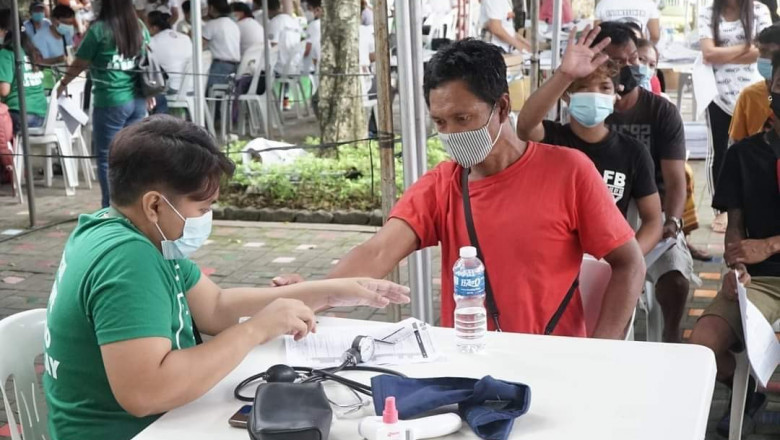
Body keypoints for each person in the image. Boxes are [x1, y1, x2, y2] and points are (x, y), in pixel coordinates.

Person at [42, 115, 410, 440]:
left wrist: (331, 291)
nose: (206, 218)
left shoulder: (123, 231)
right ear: (154, 204)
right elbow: (146, 393)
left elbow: (215, 307)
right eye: (201, 208)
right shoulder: (128, 258)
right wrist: (255, 330)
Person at [288, 39, 647, 339]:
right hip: (470, 363)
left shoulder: (569, 171)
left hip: (555, 360)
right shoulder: (441, 185)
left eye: (464, 118)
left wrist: (602, 352)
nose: (452, 133)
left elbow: (629, 263)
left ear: (502, 107)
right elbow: (378, 252)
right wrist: (306, 297)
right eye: (440, 122)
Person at [689, 52, 780, 438]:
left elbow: (761, 244)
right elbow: (735, 224)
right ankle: (748, 394)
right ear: (770, 94)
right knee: (702, 347)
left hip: (767, 261)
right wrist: (736, 266)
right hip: (757, 281)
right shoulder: (745, 153)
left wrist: (771, 245)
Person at [516, 28, 663, 256]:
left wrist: (626, 263)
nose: (594, 94)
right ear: (566, 96)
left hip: (607, 258)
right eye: (583, 87)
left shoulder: (633, 152)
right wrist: (565, 75)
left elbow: (653, 221)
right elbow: (524, 126)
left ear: (616, 96)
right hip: (551, 255)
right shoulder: (551, 139)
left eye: (604, 87)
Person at [593, 22, 693, 343]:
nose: (631, 67)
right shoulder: (591, 113)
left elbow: (676, 180)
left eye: (634, 58)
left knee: (675, 278)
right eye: (618, 63)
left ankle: (671, 335)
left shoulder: (662, 112)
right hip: (602, 218)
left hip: (657, 217)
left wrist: (673, 222)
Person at [58, 0, 152, 208]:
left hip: (111, 101)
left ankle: (111, 209)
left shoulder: (99, 30)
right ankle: (135, 208)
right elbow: (145, 62)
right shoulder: (139, 26)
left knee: (108, 158)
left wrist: (63, 83)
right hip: (137, 99)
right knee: (133, 156)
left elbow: (79, 63)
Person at [699, 0, 772, 234]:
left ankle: (754, 203)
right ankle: (721, 211)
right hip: (717, 94)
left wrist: (722, 54)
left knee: (757, 149)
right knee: (719, 151)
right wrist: (745, 49)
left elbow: (762, 52)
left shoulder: (759, 11)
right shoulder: (707, 12)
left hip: (754, 92)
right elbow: (708, 53)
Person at [729, 23, 780, 144]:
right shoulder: (749, 95)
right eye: (760, 52)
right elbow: (736, 142)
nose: (762, 58)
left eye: (767, 52)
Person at [0, 10, 47, 133]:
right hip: (43, 115)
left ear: (4, 30)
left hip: (20, 116)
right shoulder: (30, 49)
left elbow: (4, 91)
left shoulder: (6, 53)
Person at [148, 11, 191, 115]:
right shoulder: (185, 38)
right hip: (191, 84)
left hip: (172, 87)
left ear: (154, 28)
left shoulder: (153, 41)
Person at [203, 0, 241, 92]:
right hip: (235, 67)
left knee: (209, 94)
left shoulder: (212, 24)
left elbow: (199, 47)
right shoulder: (233, 24)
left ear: (211, 8)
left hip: (220, 67)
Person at [594, 0, 661, 44]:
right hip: (637, 49)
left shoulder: (602, 4)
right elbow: (655, 36)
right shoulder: (649, 4)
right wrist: (644, 47)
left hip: (612, 50)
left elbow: (596, 34)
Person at [267, 0, 303, 73]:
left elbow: (273, 47)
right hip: (296, 66)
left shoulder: (275, 21)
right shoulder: (294, 22)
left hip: (280, 69)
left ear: (267, 10)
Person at [302, 0, 321, 73]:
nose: (308, 12)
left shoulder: (313, 25)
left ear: (317, 10)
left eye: (309, 9)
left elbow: (307, 49)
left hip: (315, 65)